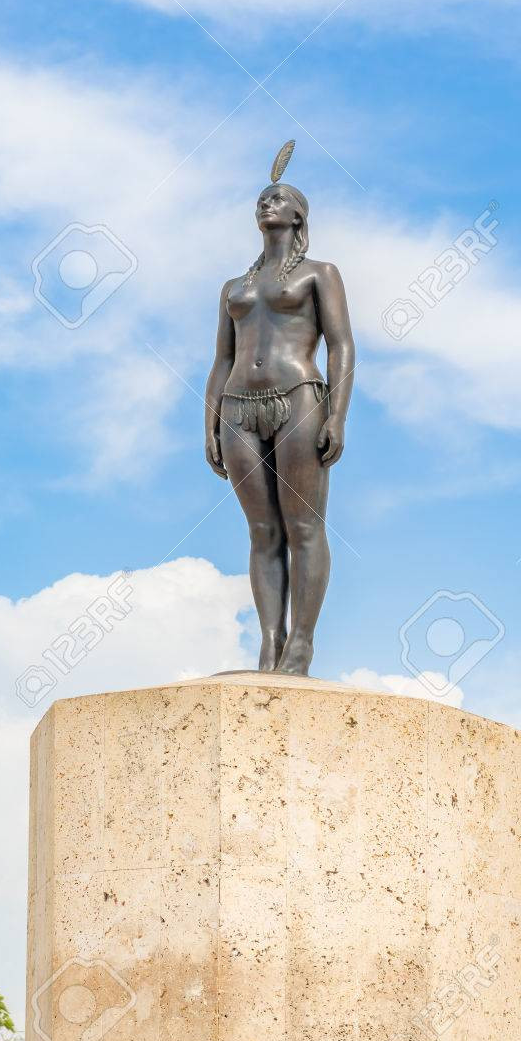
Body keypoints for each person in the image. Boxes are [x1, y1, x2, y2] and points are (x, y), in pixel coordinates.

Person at [204, 141, 354, 675]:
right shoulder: (233, 287)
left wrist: (337, 414)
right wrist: (209, 424)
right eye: (263, 199)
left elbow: (341, 345)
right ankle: (270, 643)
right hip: (237, 405)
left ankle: (301, 645)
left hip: (299, 398)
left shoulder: (319, 272)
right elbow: (222, 359)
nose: (267, 203)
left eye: (279, 198)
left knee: (303, 526)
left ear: (298, 216)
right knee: (262, 531)